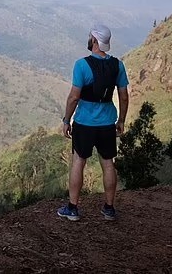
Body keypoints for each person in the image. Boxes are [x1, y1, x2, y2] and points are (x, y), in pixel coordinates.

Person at [57, 24, 129, 222]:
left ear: (95, 41)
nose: (89, 39)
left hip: (84, 123)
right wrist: (121, 120)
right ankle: (109, 208)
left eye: (90, 37)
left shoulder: (82, 65)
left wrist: (66, 120)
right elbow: (123, 96)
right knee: (108, 164)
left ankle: (73, 208)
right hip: (107, 123)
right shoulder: (118, 65)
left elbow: (73, 97)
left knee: (78, 162)